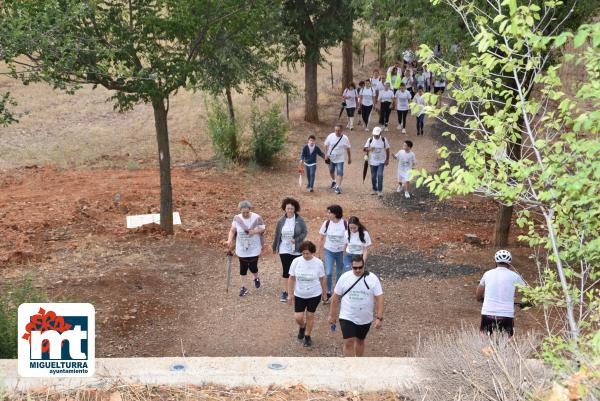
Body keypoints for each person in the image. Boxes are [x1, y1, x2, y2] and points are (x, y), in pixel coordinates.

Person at [328, 254, 384, 357]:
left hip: (365, 317)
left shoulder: (372, 278)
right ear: (351, 266)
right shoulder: (345, 278)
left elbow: (380, 298)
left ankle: (358, 363)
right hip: (347, 316)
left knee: (360, 340)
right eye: (355, 268)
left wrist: (379, 317)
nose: (358, 270)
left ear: (364, 265)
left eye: (360, 267)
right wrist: (332, 315)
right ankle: (349, 367)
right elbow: (335, 297)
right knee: (349, 341)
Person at [476, 250, 526, 337]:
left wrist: (480, 299)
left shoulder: (487, 274)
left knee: (485, 339)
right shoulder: (515, 276)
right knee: (506, 340)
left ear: (495, 261)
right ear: (509, 263)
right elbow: (528, 292)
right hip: (506, 314)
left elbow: (479, 293)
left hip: (488, 312)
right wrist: (526, 304)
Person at [287, 241, 327, 347]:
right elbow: (291, 278)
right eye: (303, 253)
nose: (305, 255)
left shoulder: (318, 263)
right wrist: (290, 294)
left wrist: (324, 293)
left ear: (312, 252)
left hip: (314, 294)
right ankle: (302, 326)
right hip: (299, 294)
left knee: (310, 315)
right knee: (298, 317)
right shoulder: (296, 261)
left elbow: (322, 278)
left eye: (308, 253)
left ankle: (307, 336)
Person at [227, 200, 266, 297]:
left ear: (250, 210)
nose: (245, 214)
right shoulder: (237, 218)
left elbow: (263, 228)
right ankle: (244, 287)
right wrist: (229, 240)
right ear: (240, 210)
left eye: (247, 212)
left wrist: (255, 231)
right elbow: (232, 230)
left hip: (254, 247)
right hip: (241, 247)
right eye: (243, 212)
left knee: (253, 267)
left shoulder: (257, 218)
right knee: (243, 268)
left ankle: (256, 277)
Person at [272, 198, 308, 302]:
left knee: (296, 271)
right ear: (285, 209)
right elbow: (277, 235)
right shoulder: (281, 221)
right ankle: (286, 291)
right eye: (288, 208)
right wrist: (274, 247)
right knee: (286, 270)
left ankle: (296, 291)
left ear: (295, 209)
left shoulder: (299, 220)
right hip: (284, 248)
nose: (290, 210)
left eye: (292, 208)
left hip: (296, 249)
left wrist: (296, 240)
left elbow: (304, 232)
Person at [318, 204, 348, 302]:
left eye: (329, 212)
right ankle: (328, 291)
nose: (328, 214)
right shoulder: (326, 223)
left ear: (336, 214)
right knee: (329, 272)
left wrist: (347, 253)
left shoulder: (345, 224)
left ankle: (337, 292)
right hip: (329, 251)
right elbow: (321, 238)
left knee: (339, 273)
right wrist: (319, 252)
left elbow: (349, 239)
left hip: (341, 252)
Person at [324, 124, 352, 195]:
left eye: (338, 130)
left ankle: (338, 187)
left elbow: (348, 149)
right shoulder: (330, 136)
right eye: (336, 130)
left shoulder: (345, 138)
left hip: (340, 159)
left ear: (341, 130)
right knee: (331, 170)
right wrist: (326, 154)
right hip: (331, 158)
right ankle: (334, 181)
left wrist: (349, 158)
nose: (337, 132)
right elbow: (325, 145)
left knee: (340, 172)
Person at [363, 126, 390, 196]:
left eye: (377, 135)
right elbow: (364, 149)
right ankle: (374, 189)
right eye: (375, 135)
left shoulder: (384, 140)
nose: (376, 136)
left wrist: (387, 159)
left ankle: (380, 190)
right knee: (373, 176)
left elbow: (387, 150)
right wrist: (369, 149)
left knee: (380, 175)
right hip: (372, 161)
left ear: (380, 133)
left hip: (381, 161)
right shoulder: (370, 140)